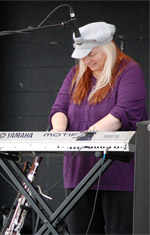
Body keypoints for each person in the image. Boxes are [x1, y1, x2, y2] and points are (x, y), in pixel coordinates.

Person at [49, 22, 148, 234]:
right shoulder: (75, 74)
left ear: (107, 47)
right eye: (82, 56)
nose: (86, 60)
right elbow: (60, 108)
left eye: (92, 54)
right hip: (79, 173)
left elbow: (123, 113)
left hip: (119, 175)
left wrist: (88, 135)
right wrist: (58, 132)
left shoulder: (129, 71)